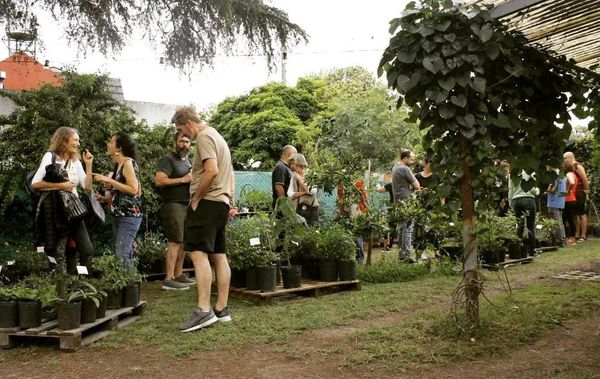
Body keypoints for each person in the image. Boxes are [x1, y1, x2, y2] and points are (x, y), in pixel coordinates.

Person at [173, 106, 233, 332]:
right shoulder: (218, 136)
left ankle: (203, 311)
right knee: (219, 255)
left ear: (189, 123)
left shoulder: (205, 138)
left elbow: (212, 171)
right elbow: (228, 172)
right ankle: (221, 308)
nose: (183, 135)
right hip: (221, 202)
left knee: (198, 253)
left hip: (207, 202)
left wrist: (196, 198)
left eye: (181, 130)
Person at [31, 127, 95, 273]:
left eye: (78, 140)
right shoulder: (50, 157)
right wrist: (62, 185)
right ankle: (60, 287)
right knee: (59, 254)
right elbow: (35, 184)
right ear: (64, 141)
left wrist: (89, 164)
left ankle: (83, 286)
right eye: (75, 140)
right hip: (57, 213)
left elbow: (87, 186)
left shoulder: (76, 161)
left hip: (74, 212)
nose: (78, 143)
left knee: (87, 250)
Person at [93, 132, 142, 267]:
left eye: (111, 142)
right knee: (125, 254)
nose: (108, 144)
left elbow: (133, 189)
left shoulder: (128, 163)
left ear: (119, 148)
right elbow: (122, 191)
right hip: (119, 215)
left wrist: (109, 180)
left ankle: (128, 285)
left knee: (122, 255)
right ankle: (130, 285)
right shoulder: (119, 165)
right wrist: (105, 198)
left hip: (129, 216)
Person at [154, 133, 196, 291]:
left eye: (187, 141)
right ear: (174, 142)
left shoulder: (188, 161)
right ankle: (168, 278)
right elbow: (159, 180)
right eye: (182, 141)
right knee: (175, 240)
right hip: (173, 204)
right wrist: (182, 180)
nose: (185, 144)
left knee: (184, 241)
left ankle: (178, 275)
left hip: (187, 204)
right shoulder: (168, 159)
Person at [391, 149, 421, 262]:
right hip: (407, 202)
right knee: (408, 228)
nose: (413, 162)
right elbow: (417, 186)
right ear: (405, 158)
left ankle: (402, 254)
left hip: (398, 202)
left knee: (402, 229)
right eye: (411, 159)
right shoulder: (405, 168)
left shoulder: (395, 168)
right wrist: (413, 187)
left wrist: (409, 186)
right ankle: (407, 255)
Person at [508, 167, 539, 257]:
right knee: (530, 226)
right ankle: (532, 251)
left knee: (520, 226)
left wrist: (511, 204)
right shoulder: (531, 172)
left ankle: (518, 251)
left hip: (516, 200)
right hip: (529, 199)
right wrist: (537, 192)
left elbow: (510, 190)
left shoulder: (512, 174)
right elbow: (534, 190)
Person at [563, 152, 590, 242]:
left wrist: (586, 191)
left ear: (570, 157)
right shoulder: (570, 168)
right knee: (576, 214)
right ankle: (577, 234)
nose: (564, 160)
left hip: (580, 192)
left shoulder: (578, 166)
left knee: (582, 213)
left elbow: (584, 179)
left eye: (565, 158)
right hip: (574, 193)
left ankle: (583, 235)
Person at [287, 153, 319, 224]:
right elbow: (289, 194)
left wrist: (299, 179)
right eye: (291, 164)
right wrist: (304, 193)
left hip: (311, 208)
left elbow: (312, 191)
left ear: (300, 164)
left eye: (293, 163)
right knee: (299, 233)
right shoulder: (293, 177)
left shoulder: (311, 174)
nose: (291, 166)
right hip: (298, 209)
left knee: (312, 231)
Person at [546, 168, 567, 247]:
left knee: (555, 222)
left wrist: (546, 190)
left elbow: (552, 189)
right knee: (560, 221)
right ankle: (563, 239)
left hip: (553, 202)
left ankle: (559, 241)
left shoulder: (554, 176)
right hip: (560, 202)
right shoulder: (562, 176)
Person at [272, 145, 297, 209]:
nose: (295, 158)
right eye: (295, 155)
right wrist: (285, 207)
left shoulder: (287, 168)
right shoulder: (280, 167)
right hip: (282, 208)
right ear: (289, 154)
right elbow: (279, 187)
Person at [376, 172, 395, 250]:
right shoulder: (404, 183)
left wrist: (377, 186)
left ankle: (388, 246)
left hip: (393, 207)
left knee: (391, 226)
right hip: (403, 206)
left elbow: (379, 190)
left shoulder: (391, 184)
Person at [562, 161, 578, 245]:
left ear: (566, 167)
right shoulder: (574, 174)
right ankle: (571, 237)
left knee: (566, 219)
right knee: (571, 219)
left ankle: (570, 238)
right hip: (572, 199)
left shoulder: (568, 174)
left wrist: (567, 191)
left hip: (568, 199)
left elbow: (572, 182)